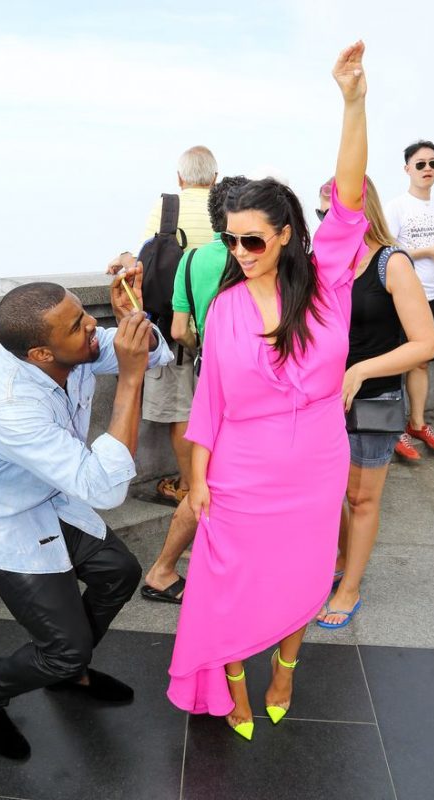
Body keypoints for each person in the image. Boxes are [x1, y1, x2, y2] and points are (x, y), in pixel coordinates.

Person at [167, 41, 369, 741]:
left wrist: (353, 102)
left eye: (252, 241)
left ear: (285, 236)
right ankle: (232, 683)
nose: (240, 253)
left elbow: (350, 197)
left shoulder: (328, 288)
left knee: (303, 575)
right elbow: (209, 406)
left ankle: (284, 669)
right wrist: (198, 481)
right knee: (228, 581)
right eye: (231, 241)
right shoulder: (224, 307)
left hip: (316, 463)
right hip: (240, 470)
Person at [0, 271, 172, 760]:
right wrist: (129, 379)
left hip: (46, 492)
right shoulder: (9, 407)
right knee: (65, 646)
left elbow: (153, 352)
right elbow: (104, 488)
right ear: (42, 353)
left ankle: (67, 669)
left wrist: (133, 320)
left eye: (83, 314)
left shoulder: (68, 347)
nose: (92, 327)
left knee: (118, 572)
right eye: (78, 325)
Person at [316, 176, 434, 628]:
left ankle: (349, 588)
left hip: (373, 400)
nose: (326, 221)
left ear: (360, 211)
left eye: (333, 211)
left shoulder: (392, 263)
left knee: (361, 499)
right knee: (329, 494)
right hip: (326, 402)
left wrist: (361, 370)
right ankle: (342, 559)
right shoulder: (327, 265)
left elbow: (426, 344)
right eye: (321, 213)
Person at [141, 176, 248, 604]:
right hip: (242, 385)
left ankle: (169, 567)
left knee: (210, 475)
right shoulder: (252, 261)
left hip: (208, 373)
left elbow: (179, 329)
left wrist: (200, 343)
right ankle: (166, 569)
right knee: (222, 478)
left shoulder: (191, 260)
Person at [107, 146, 218, 505]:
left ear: (180, 178)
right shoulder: (226, 211)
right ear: (215, 179)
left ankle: (187, 486)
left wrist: (123, 257)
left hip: (174, 331)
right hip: (219, 332)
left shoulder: (168, 207)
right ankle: (215, 484)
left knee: (182, 413)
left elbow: (143, 263)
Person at [385, 140, 434, 461]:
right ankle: (394, 429)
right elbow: (386, 251)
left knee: (422, 360)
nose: (427, 169)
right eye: (420, 164)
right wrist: (427, 251)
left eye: (433, 163)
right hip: (407, 297)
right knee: (397, 361)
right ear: (407, 169)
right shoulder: (397, 207)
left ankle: (418, 423)